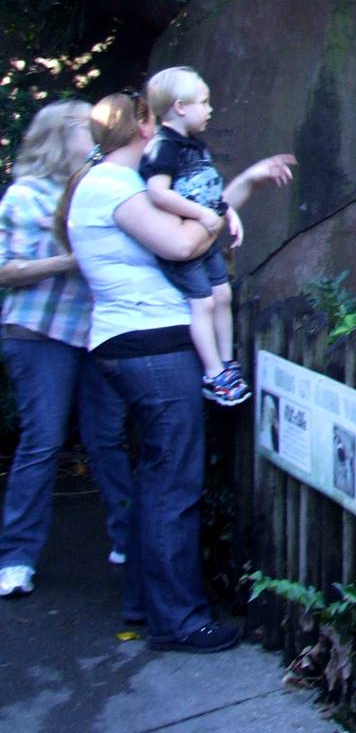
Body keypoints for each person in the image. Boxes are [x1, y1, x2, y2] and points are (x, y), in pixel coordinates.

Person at [63, 90, 293, 651]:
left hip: (140, 343)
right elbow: (185, 244)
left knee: (157, 480)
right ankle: (179, 621)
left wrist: (238, 189)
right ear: (144, 126)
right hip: (151, 345)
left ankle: (148, 604)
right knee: (173, 485)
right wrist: (217, 210)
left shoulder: (119, 183)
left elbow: (198, 225)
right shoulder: (116, 187)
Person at [0, 100, 134, 599]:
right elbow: (4, 270)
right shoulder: (25, 196)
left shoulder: (99, 187)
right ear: (59, 134)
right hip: (40, 335)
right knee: (43, 442)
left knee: (107, 438)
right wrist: (71, 261)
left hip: (97, 334)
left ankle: (129, 542)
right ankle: (16, 557)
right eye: (86, 124)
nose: (97, 131)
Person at [139, 66, 290, 407]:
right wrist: (201, 214)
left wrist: (227, 212)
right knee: (203, 303)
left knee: (223, 295)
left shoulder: (195, 146)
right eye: (204, 102)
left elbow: (209, 191)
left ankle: (226, 363)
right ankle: (213, 373)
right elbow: (158, 193)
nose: (210, 110)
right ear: (180, 107)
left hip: (206, 238)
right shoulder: (162, 146)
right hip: (184, 241)